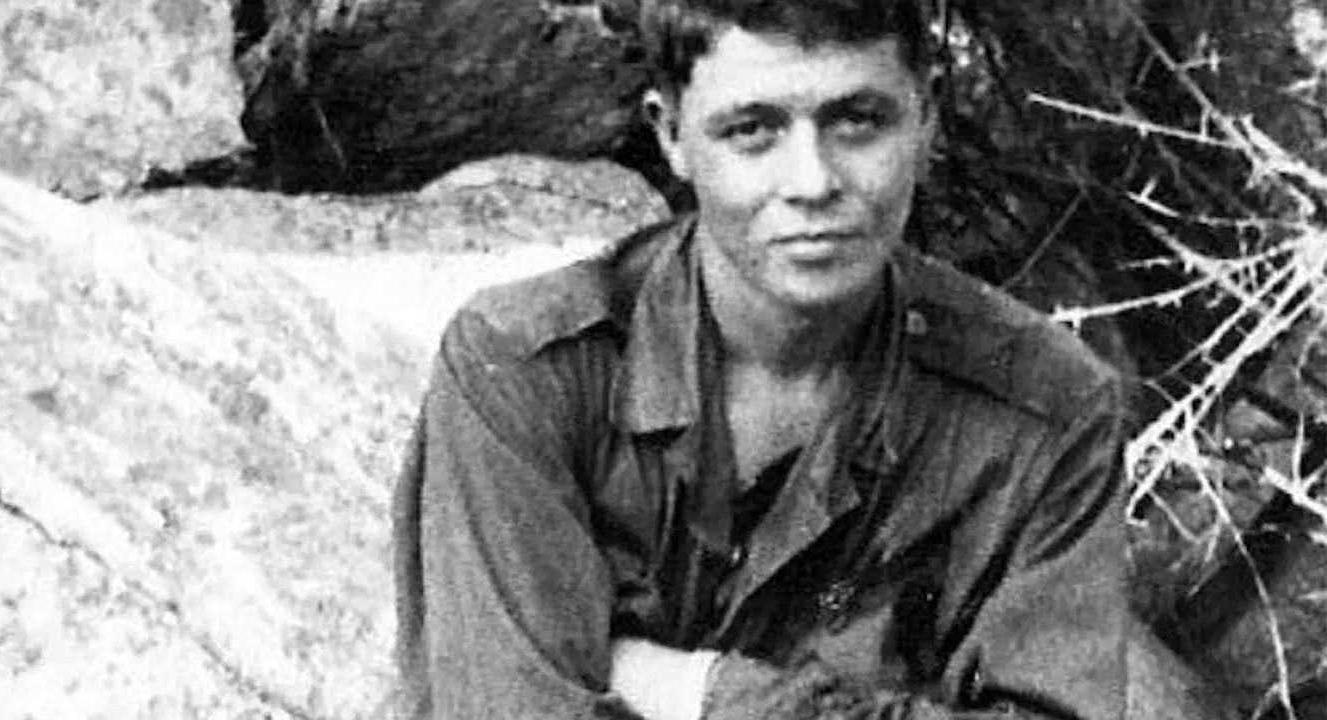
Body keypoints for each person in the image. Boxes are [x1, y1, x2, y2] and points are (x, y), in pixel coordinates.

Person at [391, 1, 1211, 718]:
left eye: (858, 120)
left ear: (925, 120)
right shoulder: (528, 369)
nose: (812, 181)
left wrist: (698, 692)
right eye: (752, 130)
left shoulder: (1046, 410)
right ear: (671, 135)